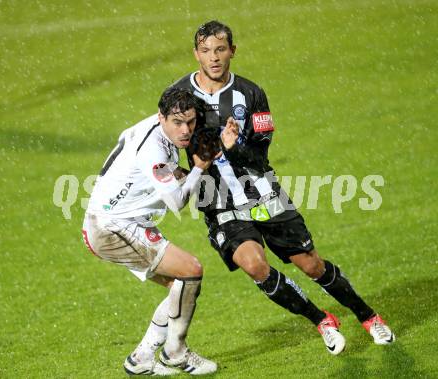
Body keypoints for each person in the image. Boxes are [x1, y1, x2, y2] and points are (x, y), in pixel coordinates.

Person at [169, 20, 395, 354]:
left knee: (311, 264)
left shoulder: (251, 93)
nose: (213, 58)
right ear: (196, 54)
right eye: (205, 51)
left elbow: (261, 154)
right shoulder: (180, 94)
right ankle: (321, 321)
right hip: (218, 202)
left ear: (232, 50)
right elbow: (164, 137)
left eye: (220, 49)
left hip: (262, 192)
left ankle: (368, 316)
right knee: (255, 265)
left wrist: (234, 146)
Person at [82, 88, 218, 375]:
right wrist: (198, 169)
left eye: (191, 122)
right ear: (161, 118)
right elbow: (178, 202)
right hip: (111, 228)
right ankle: (175, 353)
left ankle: (141, 358)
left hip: (116, 219)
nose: (186, 130)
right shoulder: (153, 150)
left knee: (180, 289)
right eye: (178, 123)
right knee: (191, 270)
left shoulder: (153, 129)